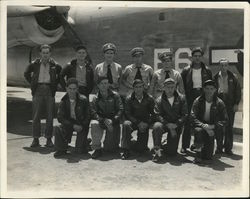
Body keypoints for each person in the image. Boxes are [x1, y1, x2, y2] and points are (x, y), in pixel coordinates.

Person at [24, 44, 62, 147]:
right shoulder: (34, 64)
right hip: (38, 89)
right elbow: (26, 74)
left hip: (49, 90)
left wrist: (54, 84)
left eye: (47, 53)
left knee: (50, 116)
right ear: (40, 53)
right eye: (43, 53)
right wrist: (33, 83)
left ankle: (49, 139)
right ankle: (35, 139)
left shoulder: (55, 65)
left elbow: (60, 75)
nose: (45, 55)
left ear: (50, 53)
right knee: (36, 116)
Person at [180, 47, 212, 153]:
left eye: (199, 56)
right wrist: (183, 98)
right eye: (195, 56)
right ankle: (184, 146)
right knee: (188, 121)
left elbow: (210, 85)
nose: (197, 58)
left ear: (201, 57)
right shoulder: (186, 70)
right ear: (192, 57)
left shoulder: (207, 70)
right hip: (190, 96)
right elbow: (182, 86)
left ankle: (197, 146)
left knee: (200, 121)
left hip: (202, 96)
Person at [190, 80, 228, 164]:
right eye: (207, 88)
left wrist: (213, 127)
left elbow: (225, 120)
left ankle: (197, 145)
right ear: (203, 89)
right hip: (200, 126)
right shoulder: (197, 101)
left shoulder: (220, 103)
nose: (209, 91)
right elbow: (192, 117)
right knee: (198, 131)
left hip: (212, 127)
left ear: (215, 90)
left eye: (211, 89)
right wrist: (203, 126)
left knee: (208, 157)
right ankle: (198, 154)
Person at [152, 78, 188, 162]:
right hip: (164, 124)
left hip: (176, 125)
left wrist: (176, 124)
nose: (170, 89)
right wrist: (167, 124)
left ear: (175, 87)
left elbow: (185, 114)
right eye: (168, 87)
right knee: (157, 126)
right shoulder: (159, 100)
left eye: (172, 87)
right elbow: (157, 115)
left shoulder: (181, 98)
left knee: (172, 153)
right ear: (163, 87)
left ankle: (164, 144)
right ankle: (157, 152)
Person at [54, 78, 90, 157]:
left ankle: (85, 143)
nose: (72, 91)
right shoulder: (63, 101)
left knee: (79, 151)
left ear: (77, 89)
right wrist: (72, 125)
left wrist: (82, 125)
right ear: (66, 89)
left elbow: (88, 116)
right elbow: (60, 117)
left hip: (81, 124)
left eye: (74, 89)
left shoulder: (83, 99)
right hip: (69, 124)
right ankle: (61, 149)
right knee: (58, 127)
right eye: (70, 89)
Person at [90, 76, 123, 159]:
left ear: (108, 84)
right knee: (94, 123)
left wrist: (113, 120)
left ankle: (110, 144)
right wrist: (103, 120)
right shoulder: (95, 98)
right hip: (102, 121)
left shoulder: (115, 95)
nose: (104, 85)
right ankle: (97, 148)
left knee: (109, 149)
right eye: (101, 84)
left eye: (106, 83)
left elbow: (120, 109)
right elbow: (93, 112)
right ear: (98, 85)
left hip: (113, 122)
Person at [121, 79, 155, 159]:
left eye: (140, 87)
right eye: (136, 87)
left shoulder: (149, 98)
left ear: (143, 87)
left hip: (144, 123)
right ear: (133, 88)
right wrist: (138, 122)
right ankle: (126, 149)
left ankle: (135, 143)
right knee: (126, 124)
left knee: (141, 149)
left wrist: (147, 123)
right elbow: (127, 114)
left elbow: (154, 113)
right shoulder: (129, 98)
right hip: (133, 122)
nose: (138, 89)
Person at [213, 58, 241, 155]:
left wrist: (236, 104)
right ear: (219, 66)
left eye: (225, 65)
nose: (224, 67)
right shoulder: (215, 77)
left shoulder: (233, 77)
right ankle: (219, 148)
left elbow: (238, 91)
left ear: (228, 66)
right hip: (219, 103)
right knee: (219, 126)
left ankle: (228, 148)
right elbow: (212, 91)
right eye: (222, 65)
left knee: (229, 126)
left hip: (230, 103)